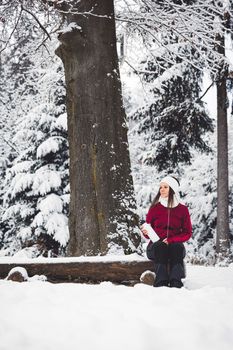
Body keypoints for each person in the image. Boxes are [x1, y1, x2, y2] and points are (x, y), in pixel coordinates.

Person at [141, 176, 192, 288]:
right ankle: (161, 282)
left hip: (175, 248)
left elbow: (187, 232)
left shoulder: (182, 209)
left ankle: (176, 282)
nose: (161, 190)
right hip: (155, 247)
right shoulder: (155, 208)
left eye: (165, 187)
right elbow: (148, 229)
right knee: (160, 246)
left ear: (172, 189)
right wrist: (145, 232)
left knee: (176, 247)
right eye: (160, 187)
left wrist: (171, 240)